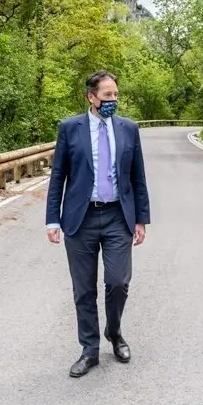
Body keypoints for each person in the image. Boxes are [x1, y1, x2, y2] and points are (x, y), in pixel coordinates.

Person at [46, 70, 151, 378]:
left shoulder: (129, 129)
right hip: (81, 218)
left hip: (119, 215)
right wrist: (53, 218)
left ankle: (114, 332)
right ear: (91, 97)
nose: (112, 101)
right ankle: (89, 350)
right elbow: (58, 177)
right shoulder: (70, 129)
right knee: (83, 289)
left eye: (115, 95)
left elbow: (138, 177)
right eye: (107, 96)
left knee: (118, 282)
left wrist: (141, 218)